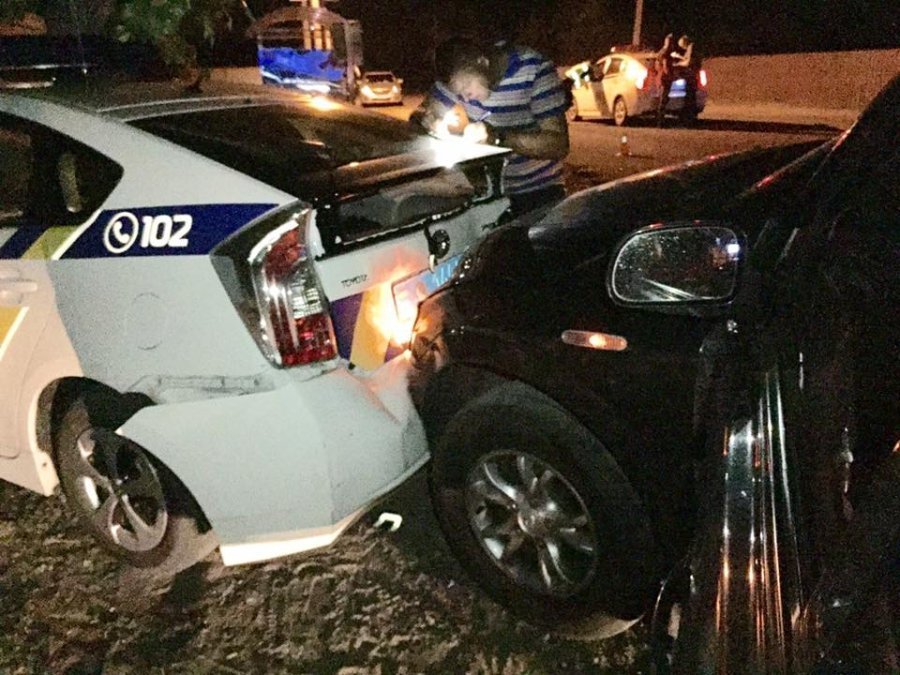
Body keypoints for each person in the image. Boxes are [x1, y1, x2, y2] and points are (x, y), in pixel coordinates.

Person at [411, 36, 570, 218]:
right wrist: (426, 120)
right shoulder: (456, 75)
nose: (466, 98)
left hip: (540, 191)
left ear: (482, 62)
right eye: (459, 94)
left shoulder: (532, 68)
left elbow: (558, 145)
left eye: (467, 87)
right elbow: (420, 113)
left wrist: (496, 138)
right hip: (490, 195)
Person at [671, 35, 699, 120]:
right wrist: (678, 56)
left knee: (690, 97)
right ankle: (690, 116)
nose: (682, 48)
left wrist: (677, 64)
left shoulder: (691, 48)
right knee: (690, 96)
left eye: (682, 46)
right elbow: (687, 59)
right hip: (691, 77)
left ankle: (689, 116)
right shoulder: (690, 49)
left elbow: (688, 62)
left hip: (690, 77)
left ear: (685, 43)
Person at [655, 33, 675, 126]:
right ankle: (660, 121)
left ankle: (659, 120)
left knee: (662, 99)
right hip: (665, 78)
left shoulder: (661, 52)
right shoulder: (666, 53)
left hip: (660, 77)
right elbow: (666, 66)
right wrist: (671, 75)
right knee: (663, 99)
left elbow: (657, 65)